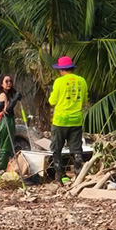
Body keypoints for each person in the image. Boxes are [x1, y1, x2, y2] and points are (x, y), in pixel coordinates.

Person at [48, 55, 87, 184]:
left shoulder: (59, 82)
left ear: (61, 70)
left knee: (57, 149)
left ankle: (59, 177)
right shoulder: (82, 81)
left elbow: (52, 101)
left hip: (60, 120)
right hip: (76, 120)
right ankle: (78, 176)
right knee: (76, 150)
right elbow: (85, 100)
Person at [0, 74, 21, 172]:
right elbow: (7, 110)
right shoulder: (3, 95)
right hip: (5, 122)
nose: (9, 83)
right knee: (6, 146)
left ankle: (6, 165)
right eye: (6, 81)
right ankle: (1, 169)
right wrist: (15, 99)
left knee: (3, 145)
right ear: (1, 84)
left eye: (10, 81)